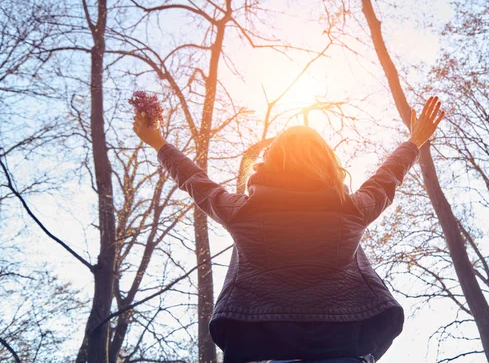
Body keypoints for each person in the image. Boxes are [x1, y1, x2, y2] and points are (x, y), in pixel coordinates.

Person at [133, 96, 445, 363]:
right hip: (344, 348)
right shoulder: (351, 210)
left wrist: (158, 141)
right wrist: (414, 140)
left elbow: (195, 182)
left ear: (269, 163)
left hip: (267, 349)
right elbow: (386, 178)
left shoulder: (243, 212)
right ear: (328, 162)